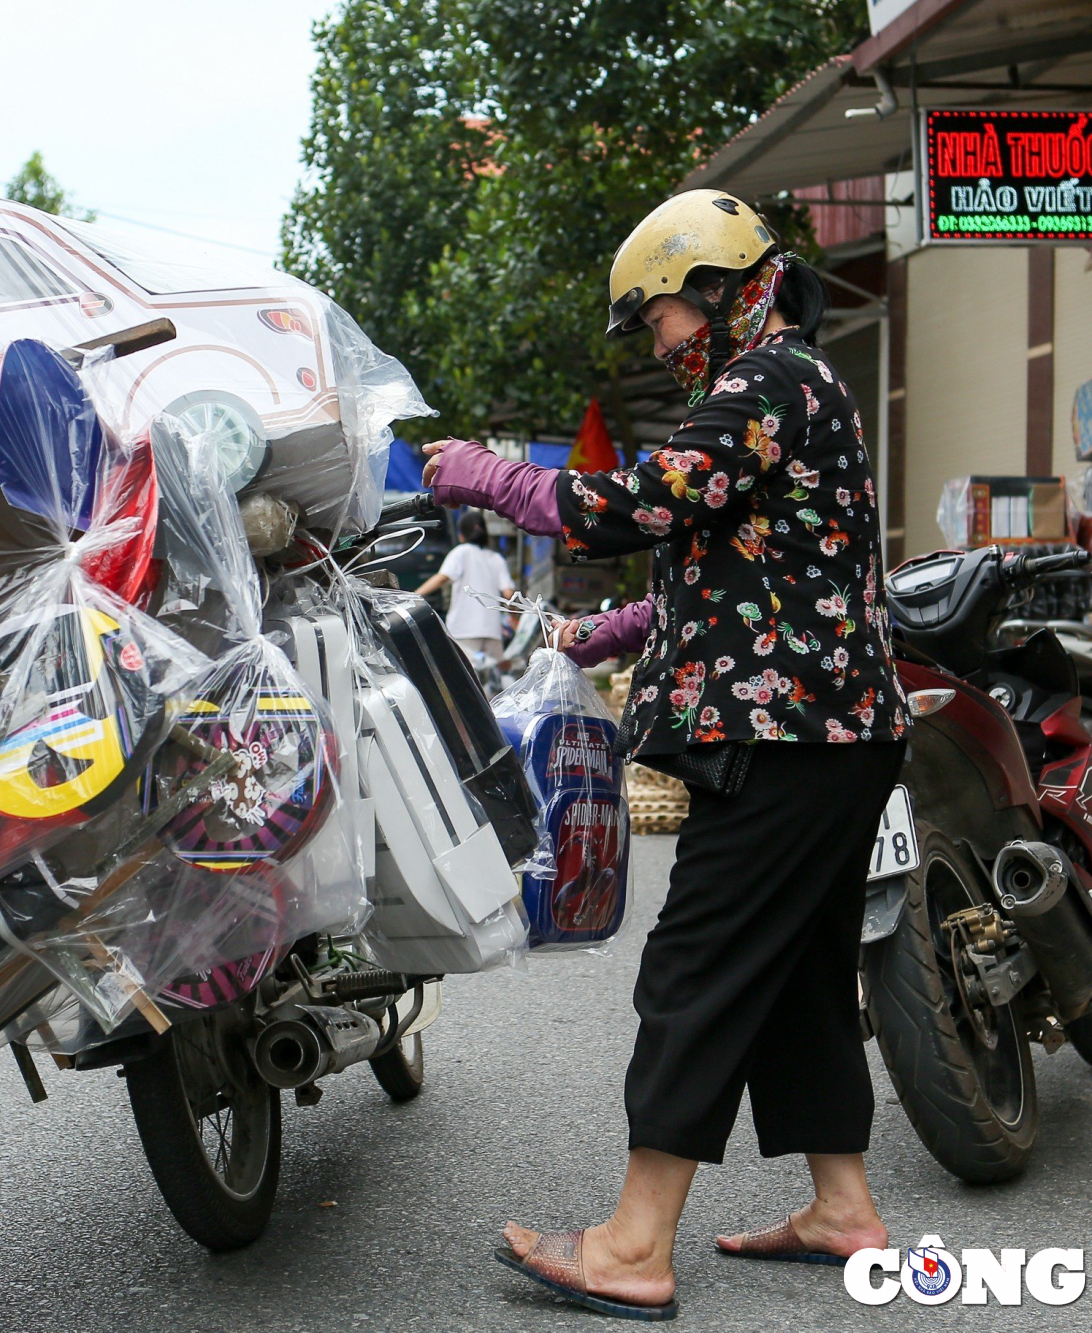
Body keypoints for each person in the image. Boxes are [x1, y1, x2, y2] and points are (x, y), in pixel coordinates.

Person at [422, 189, 909, 1321]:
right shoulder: (793, 389)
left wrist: (489, 477)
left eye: (657, 319)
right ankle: (843, 1210)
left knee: (692, 967)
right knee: (795, 977)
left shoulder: (768, 381)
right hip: (835, 730)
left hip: (783, 737)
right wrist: (607, 633)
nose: (658, 343)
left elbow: (645, 502)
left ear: (718, 289)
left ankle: (633, 1245)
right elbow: (743, 560)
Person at [414, 511, 517, 662]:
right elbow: (509, 595)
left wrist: (414, 595)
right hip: (492, 631)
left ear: (461, 534)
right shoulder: (497, 559)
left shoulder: (460, 553)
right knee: (497, 680)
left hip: (463, 631)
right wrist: (514, 618)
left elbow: (442, 578)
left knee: (468, 679)